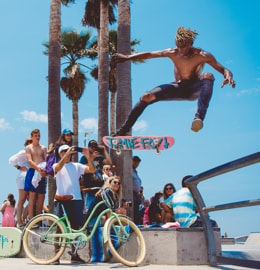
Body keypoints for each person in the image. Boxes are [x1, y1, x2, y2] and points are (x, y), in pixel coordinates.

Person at [112, 26, 236, 136]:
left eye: (184, 46)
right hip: (177, 87)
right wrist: (127, 57)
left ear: (191, 42)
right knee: (146, 96)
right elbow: (149, 54)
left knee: (208, 75)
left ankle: (198, 118)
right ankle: (124, 130)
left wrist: (227, 75)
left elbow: (223, 69)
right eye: (178, 45)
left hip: (194, 88)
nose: (181, 49)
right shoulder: (172, 52)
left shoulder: (202, 55)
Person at [53, 144, 96, 264]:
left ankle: (74, 255)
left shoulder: (76, 166)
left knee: (75, 229)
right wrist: (66, 155)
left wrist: (88, 157)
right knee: (59, 229)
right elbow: (57, 169)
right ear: (60, 153)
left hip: (76, 199)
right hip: (61, 200)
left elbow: (92, 170)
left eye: (68, 151)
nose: (67, 152)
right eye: (64, 151)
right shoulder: (56, 165)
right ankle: (56, 256)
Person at [86, 176, 122, 263]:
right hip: (94, 218)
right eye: (114, 182)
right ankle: (99, 257)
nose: (117, 184)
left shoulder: (110, 193)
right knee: (100, 233)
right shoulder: (108, 192)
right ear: (109, 183)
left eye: (119, 183)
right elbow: (108, 210)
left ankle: (99, 256)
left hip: (95, 218)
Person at [80, 140, 112, 214]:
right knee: (90, 211)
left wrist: (104, 150)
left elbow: (109, 162)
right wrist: (91, 158)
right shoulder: (84, 158)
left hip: (100, 189)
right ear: (88, 148)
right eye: (91, 147)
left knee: (101, 211)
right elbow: (83, 168)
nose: (93, 148)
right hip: (90, 189)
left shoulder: (99, 158)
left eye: (95, 147)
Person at [9, 137, 32, 227]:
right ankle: (19, 221)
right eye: (29, 143)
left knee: (32, 200)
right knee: (22, 199)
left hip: (30, 177)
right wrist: (19, 167)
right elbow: (11, 160)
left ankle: (22, 218)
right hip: (23, 176)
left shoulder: (33, 153)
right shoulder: (23, 152)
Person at [24, 129, 47, 220]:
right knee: (32, 197)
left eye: (39, 136)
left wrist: (45, 171)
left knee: (41, 196)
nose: (37, 137)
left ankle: (38, 220)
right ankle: (31, 219)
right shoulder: (29, 148)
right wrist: (38, 168)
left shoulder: (43, 148)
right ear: (32, 137)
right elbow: (29, 160)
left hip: (42, 173)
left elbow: (46, 160)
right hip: (33, 171)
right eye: (36, 136)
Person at [132, 156, 143, 224]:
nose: (136, 164)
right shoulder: (129, 170)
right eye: (135, 161)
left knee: (138, 211)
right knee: (134, 211)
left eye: (138, 163)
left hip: (137, 194)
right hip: (131, 194)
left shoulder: (135, 172)